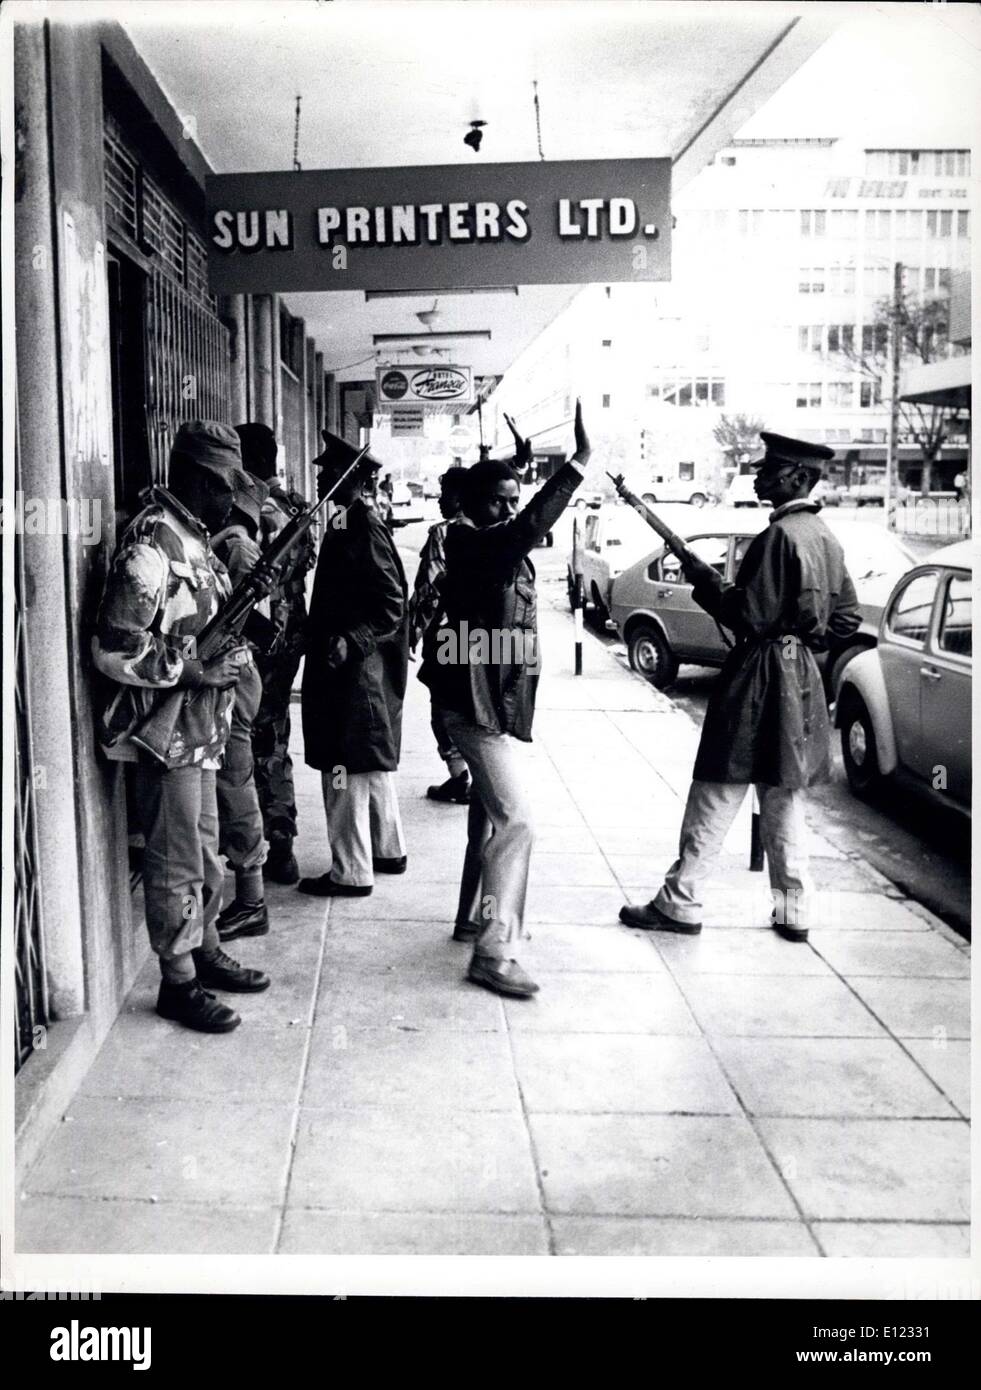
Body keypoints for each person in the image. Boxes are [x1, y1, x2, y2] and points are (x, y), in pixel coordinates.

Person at [619, 432, 861, 943]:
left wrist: (703, 577)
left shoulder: (777, 538)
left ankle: (680, 902)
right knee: (784, 797)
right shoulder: (825, 536)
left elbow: (743, 612)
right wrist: (799, 641)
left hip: (757, 671)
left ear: (797, 476)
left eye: (770, 468)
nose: (758, 473)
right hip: (798, 676)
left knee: (717, 788)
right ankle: (794, 910)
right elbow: (846, 620)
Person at [92, 421, 271, 1033]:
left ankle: (206, 946)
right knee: (175, 863)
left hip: (201, 732)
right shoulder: (150, 545)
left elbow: (200, 621)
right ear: (195, 478)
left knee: (203, 848)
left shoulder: (192, 540)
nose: (232, 501)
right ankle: (178, 982)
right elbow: (115, 648)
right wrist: (194, 671)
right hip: (164, 736)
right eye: (225, 487)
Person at [430, 402, 591, 999]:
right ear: (472, 504)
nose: (508, 508)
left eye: (511, 498)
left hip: (488, 705)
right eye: (498, 499)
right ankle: (494, 953)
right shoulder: (474, 544)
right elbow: (524, 528)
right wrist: (576, 466)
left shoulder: (489, 542)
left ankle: (472, 917)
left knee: (488, 816)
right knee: (517, 820)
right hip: (473, 709)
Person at [298, 432, 409, 896]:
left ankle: (351, 871)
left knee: (343, 767)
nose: (321, 476)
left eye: (329, 471)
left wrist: (351, 639)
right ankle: (388, 850)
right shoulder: (346, 520)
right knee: (368, 765)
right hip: (350, 665)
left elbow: (391, 602)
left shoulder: (362, 525)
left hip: (353, 670)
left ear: (355, 476)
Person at [234, 423, 315, 885]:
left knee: (255, 740)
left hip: (261, 640)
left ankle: (271, 843)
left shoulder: (259, 512)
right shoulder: (295, 504)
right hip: (288, 637)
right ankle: (278, 836)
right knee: (274, 734)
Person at [211, 468, 274, 942]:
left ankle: (251, 900)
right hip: (224, 672)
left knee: (235, 785)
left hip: (230, 673)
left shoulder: (235, 545)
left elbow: (238, 620)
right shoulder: (235, 541)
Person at [409, 466, 471, 804]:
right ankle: (475, 775)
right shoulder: (494, 530)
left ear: (460, 496)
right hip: (482, 638)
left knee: (443, 707)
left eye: (444, 492)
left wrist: (411, 633)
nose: (439, 500)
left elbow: (428, 591)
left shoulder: (443, 533)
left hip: (446, 635)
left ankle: (459, 777)